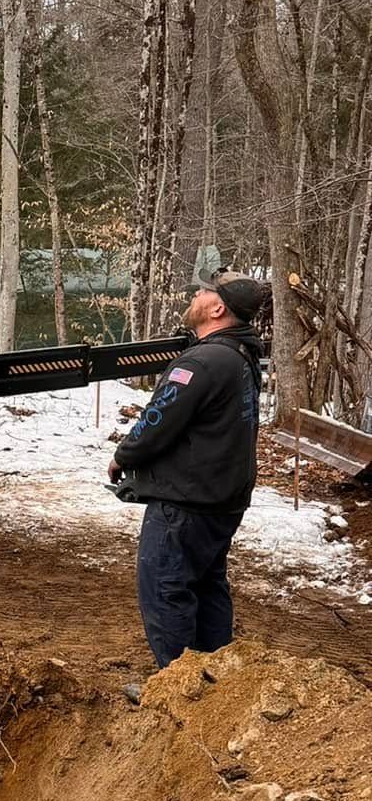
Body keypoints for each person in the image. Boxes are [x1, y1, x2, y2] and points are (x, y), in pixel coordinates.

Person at [109, 271, 269, 669]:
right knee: (207, 585)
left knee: (165, 590)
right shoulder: (241, 356)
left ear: (217, 308)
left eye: (203, 291)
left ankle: (179, 692)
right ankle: (214, 685)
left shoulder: (202, 361)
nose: (195, 294)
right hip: (221, 497)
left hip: (187, 501)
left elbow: (157, 420)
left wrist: (123, 456)